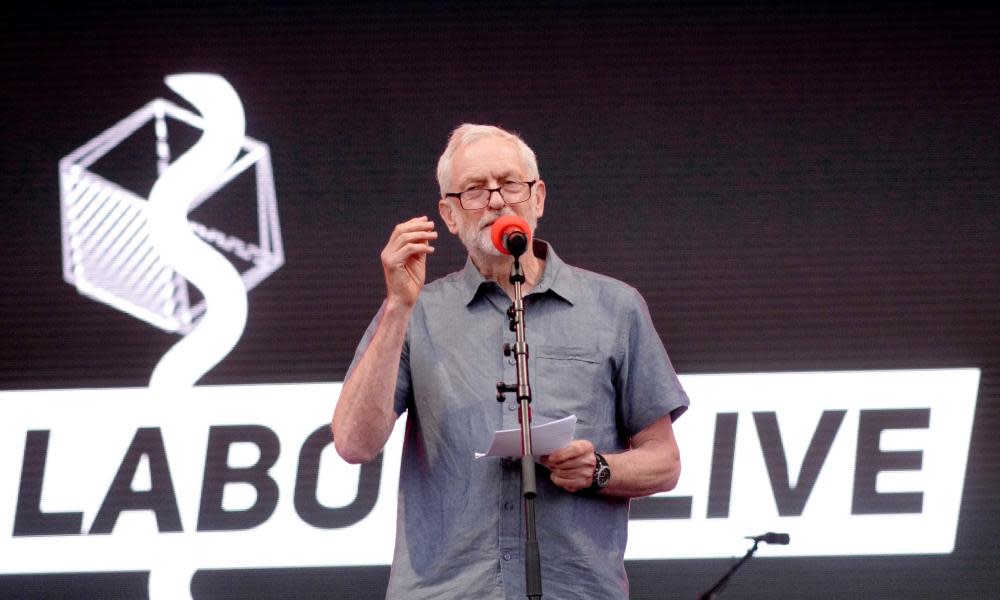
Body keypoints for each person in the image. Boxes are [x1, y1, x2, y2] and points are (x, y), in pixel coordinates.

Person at [332, 124, 689, 599]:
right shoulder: (417, 311)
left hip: (575, 589)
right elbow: (354, 442)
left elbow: (664, 461)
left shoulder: (614, 307)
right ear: (450, 214)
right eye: (475, 190)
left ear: (537, 198)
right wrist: (397, 306)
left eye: (510, 185)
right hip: (448, 590)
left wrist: (599, 469)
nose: (497, 201)